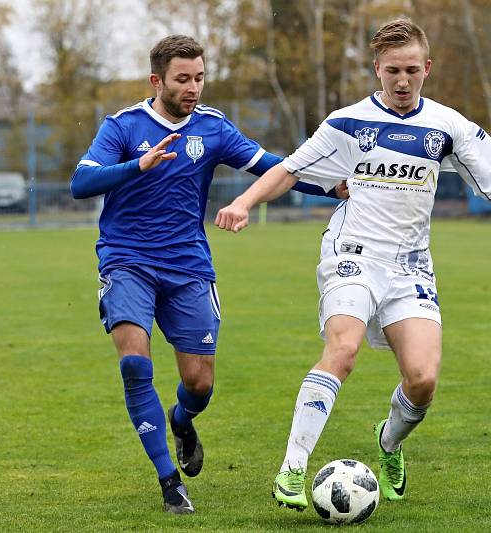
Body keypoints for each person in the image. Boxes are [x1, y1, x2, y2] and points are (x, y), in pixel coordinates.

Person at [214, 18, 491, 511]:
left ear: (427, 68)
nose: (402, 80)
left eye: (412, 69)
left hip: (411, 267)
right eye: (393, 71)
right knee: (343, 349)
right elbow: (288, 169)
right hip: (353, 254)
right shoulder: (346, 122)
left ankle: (388, 443)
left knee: (423, 380)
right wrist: (243, 203)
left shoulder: (449, 126)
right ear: (377, 70)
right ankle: (293, 466)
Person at [70, 35, 343, 514]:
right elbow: (81, 182)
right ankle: (168, 481)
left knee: (199, 384)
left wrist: (332, 186)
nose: (193, 87)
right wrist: (140, 164)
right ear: (157, 80)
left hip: (188, 265)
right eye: (182, 79)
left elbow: (275, 167)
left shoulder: (213, 128)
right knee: (135, 363)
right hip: (126, 259)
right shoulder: (123, 126)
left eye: (199, 77)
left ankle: (181, 420)